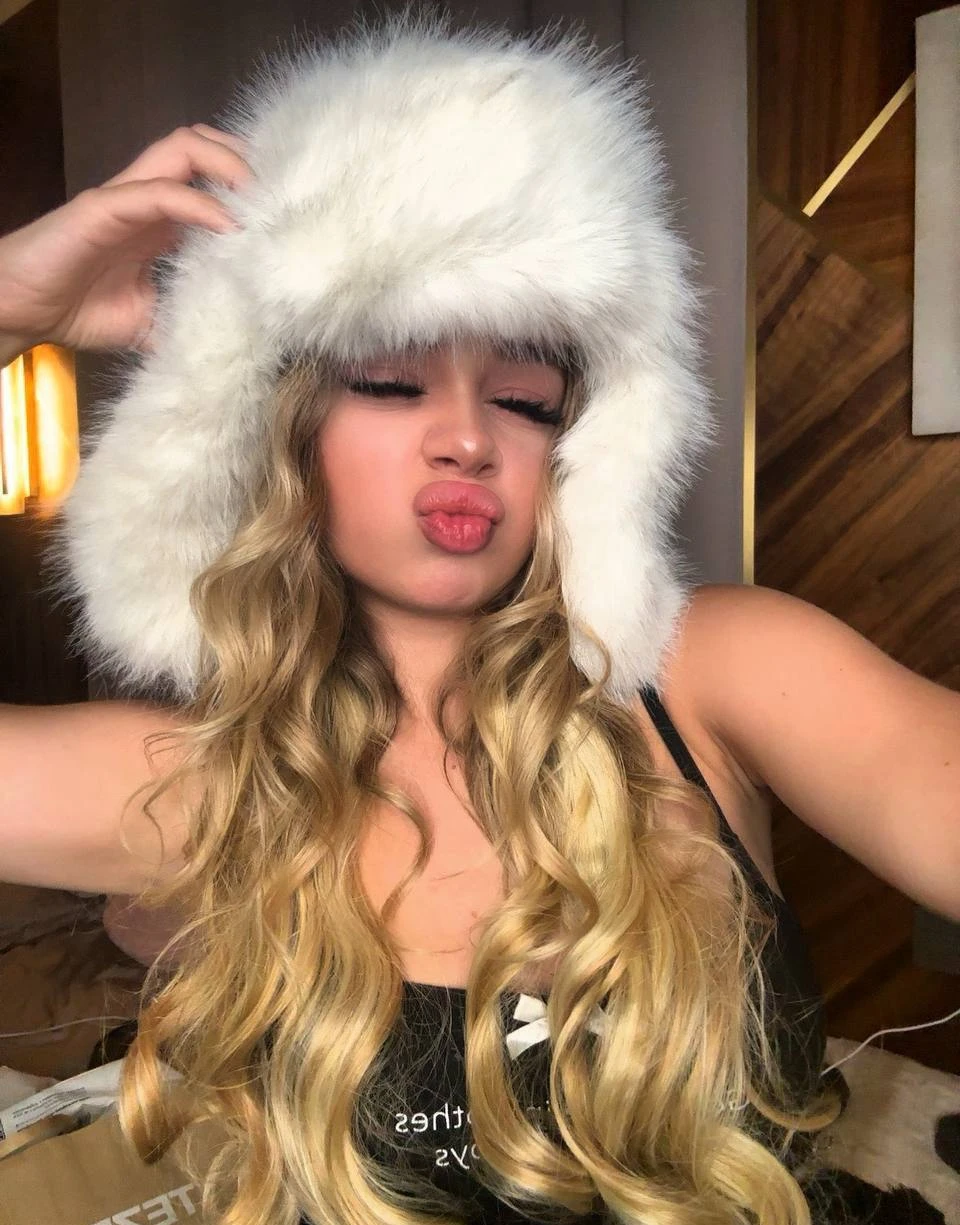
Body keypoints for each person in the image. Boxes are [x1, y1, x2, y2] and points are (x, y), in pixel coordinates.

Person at [0, 11, 957, 1225]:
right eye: (391, 378)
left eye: (524, 395)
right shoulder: (198, 782)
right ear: (280, 426)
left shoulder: (709, 669)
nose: (466, 436)